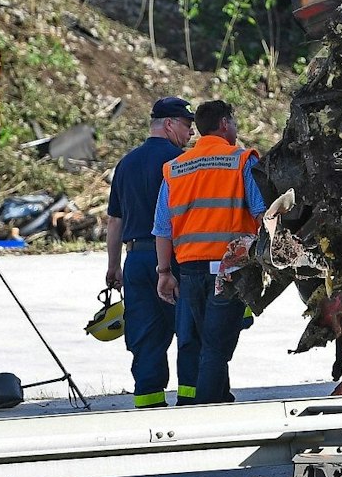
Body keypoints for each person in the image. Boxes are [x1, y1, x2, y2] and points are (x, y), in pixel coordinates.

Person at [153, 99, 265, 405]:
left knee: (208, 342)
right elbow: (261, 213)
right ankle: (208, 410)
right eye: (235, 123)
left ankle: (221, 399)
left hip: (190, 271)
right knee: (216, 347)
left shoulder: (176, 168)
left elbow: (162, 227)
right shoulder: (240, 161)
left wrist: (164, 272)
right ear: (225, 124)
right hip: (228, 269)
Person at [105, 97, 196, 407]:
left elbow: (115, 220)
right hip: (174, 259)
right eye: (187, 126)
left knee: (144, 335)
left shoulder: (126, 163)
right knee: (188, 330)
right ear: (168, 124)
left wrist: (114, 266)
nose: (191, 133)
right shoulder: (183, 163)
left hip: (136, 260)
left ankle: (148, 402)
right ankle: (191, 400)